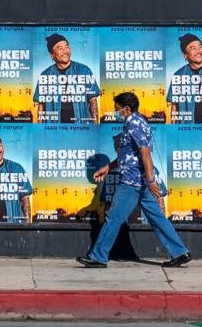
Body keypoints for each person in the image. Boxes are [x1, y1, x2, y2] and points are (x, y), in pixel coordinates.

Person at [78, 92, 192, 268]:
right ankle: (180, 252)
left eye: (117, 109)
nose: (115, 112)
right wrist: (108, 167)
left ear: (127, 109)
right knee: (157, 218)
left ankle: (98, 257)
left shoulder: (134, 125)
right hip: (140, 182)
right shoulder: (136, 122)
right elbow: (128, 154)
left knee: (114, 218)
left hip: (132, 182)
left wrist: (152, 180)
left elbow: (145, 153)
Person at [33, 33, 101, 123]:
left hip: (81, 128)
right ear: (52, 55)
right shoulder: (45, 76)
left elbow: (93, 101)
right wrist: (41, 130)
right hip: (54, 130)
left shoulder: (84, 70)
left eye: (67, 47)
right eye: (60, 48)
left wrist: (95, 128)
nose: (65, 51)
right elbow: (41, 106)